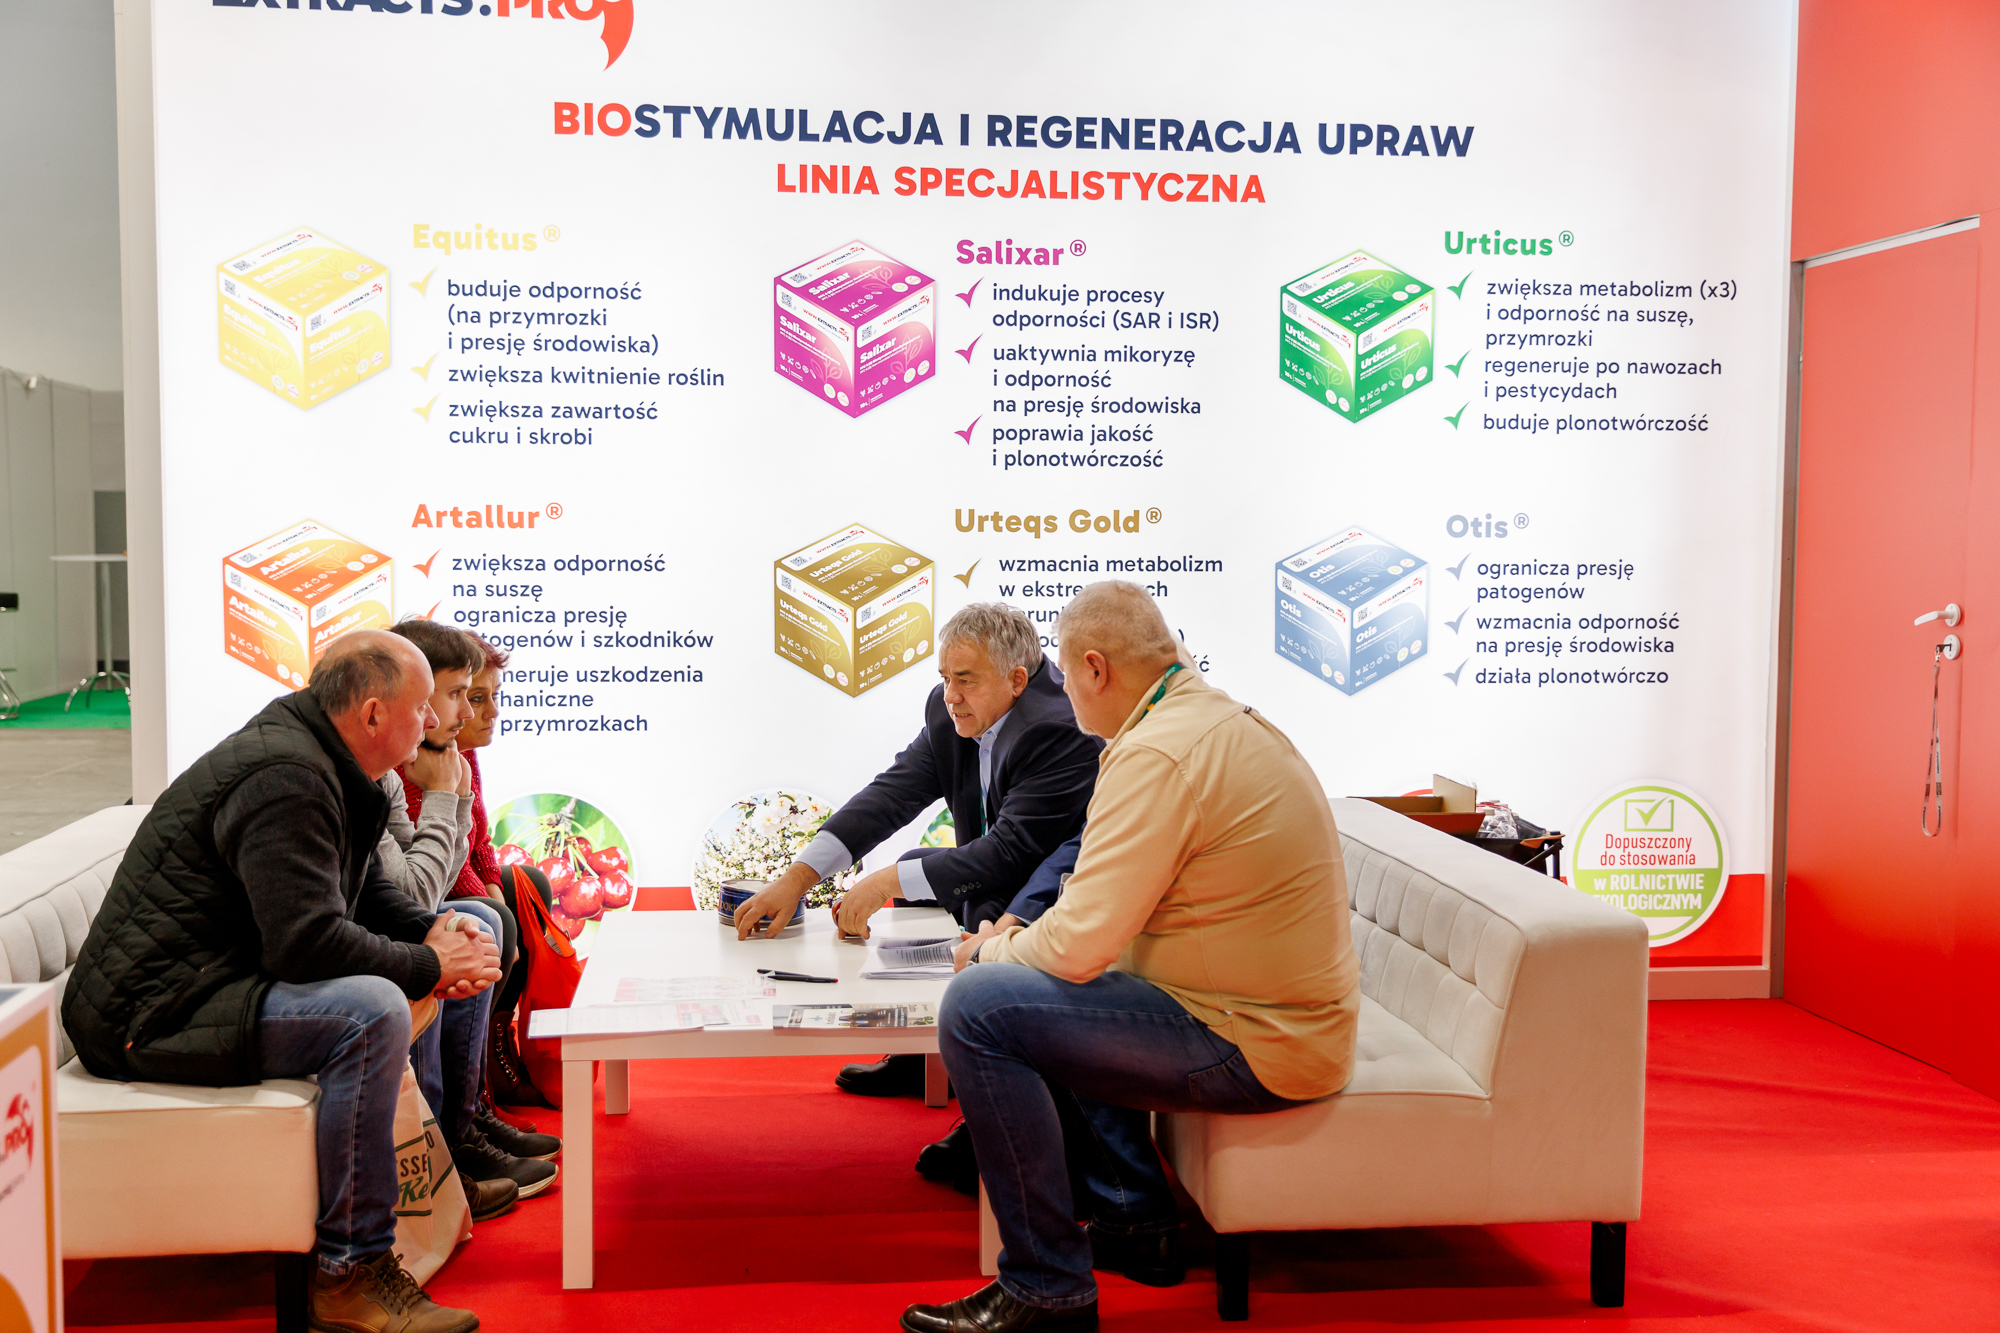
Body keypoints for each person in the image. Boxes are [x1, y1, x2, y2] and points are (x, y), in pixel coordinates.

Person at [903, 583, 1362, 1333]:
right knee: (1047, 981)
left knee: (981, 1006)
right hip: (1277, 1018)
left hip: (1255, 1039)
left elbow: (1077, 943)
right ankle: (1128, 1217)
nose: (1061, 693)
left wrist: (992, 950)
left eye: (1063, 674)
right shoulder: (1206, 720)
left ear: (1095, 669)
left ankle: (1045, 1287)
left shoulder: (1156, 752)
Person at [61, 630, 506, 1333]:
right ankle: (349, 1272)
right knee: (370, 1011)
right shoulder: (286, 777)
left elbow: (363, 895)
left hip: (205, 984)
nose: (433, 721)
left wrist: (436, 932)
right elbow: (305, 943)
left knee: (424, 957)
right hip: (149, 1014)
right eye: (423, 705)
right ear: (371, 714)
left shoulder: (329, 761)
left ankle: (424, 1184)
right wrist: (430, 963)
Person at [730, 602, 1101, 1101]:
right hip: (1009, 868)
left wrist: (884, 882)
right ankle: (920, 1056)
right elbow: (891, 796)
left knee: (964, 897)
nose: (950, 696)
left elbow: (1012, 854)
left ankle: (985, 1104)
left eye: (965, 680)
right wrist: (797, 879)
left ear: (1016, 679)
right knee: (917, 871)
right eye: (945, 678)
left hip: (1056, 891)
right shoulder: (951, 710)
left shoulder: (1057, 728)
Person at [379, 619, 560, 1197]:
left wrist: (490, 889)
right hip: (373, 918)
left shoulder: (445, 750)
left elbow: (472, 841)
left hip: (394, 901)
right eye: (463, 695)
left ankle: (473, 1105)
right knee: (478, 922)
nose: (476, 712)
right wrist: (446, 796)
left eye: (477, 696)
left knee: (503, 902)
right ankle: (453, 1133)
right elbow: (418, 883)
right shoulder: (395, 762)